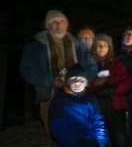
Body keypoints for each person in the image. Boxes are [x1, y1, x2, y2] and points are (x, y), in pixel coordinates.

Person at [20, 9, 97, 137]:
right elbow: (27, 70)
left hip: (76, 93)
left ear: (66, 25)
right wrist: (50, 80)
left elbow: (91, 66)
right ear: (47, 26)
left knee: (77, 127)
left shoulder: (79, 46)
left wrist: (84, 81)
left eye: (61, 22)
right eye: (54, 22)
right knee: (54, 129)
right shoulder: (35, 46)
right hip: (49, 93)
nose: (58, 25)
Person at [89, 33, 132, 147]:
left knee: (119, 136)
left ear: (109, 47)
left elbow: (127, 82)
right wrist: (95, 89)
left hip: (115, 105)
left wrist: (114, 89)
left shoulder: (116, 63)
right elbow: (84, 84)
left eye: (105, 45)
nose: (101, 47)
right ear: (94, 48)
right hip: (96, 108)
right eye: (98, 45)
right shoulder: (89, 64)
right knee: (100, 138)